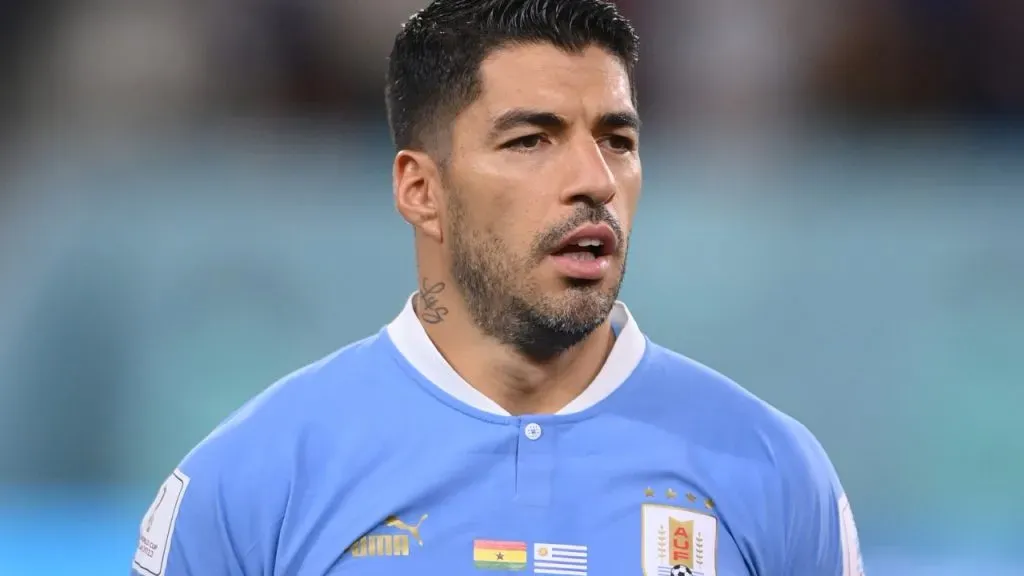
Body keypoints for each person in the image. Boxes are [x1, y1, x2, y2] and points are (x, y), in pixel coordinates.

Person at [131, 1, 865, 574]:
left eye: (617, 139)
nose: (594, 181)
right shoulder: (254, 481)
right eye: (530, 140)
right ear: (421, 190)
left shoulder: (771, 471)